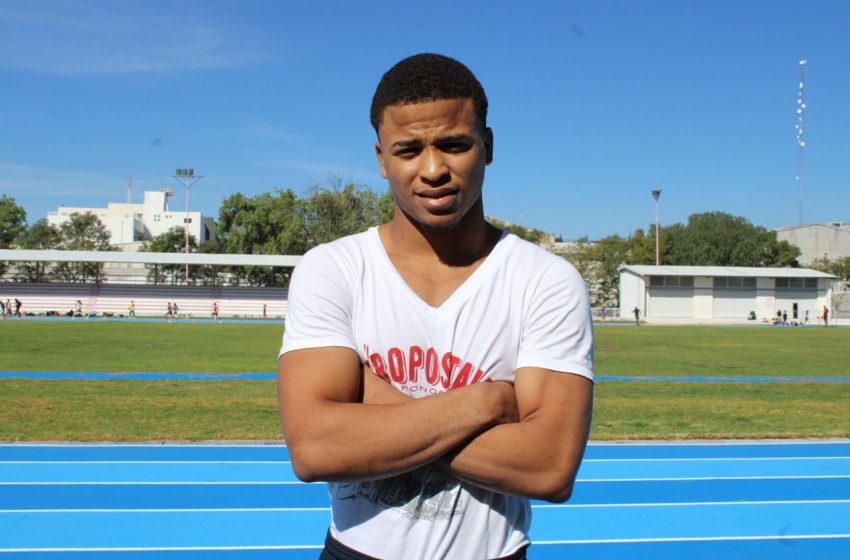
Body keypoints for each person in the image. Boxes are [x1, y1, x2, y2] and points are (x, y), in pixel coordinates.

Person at [277, 54, 594, 560]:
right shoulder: (332, 269)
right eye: (408, 150)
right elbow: (315, 448)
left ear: (487, 147)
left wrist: (375, 402)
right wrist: (486, 403)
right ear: (382, 159)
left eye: (454, 144)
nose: (433, 170)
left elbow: (549, 467)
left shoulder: (546, 281)